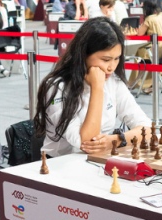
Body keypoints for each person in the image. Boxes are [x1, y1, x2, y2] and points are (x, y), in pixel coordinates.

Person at [34, 17, 152, 158]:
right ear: (84, 55)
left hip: (99, 159)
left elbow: (148, 129)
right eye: (106, 59)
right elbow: (87, 143)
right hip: (59, 163)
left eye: (117, 59)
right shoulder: (57, 87)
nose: (112, 67)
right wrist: (97, 87)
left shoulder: (113, 81)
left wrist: (116, 140)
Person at [128, 0, 162, 94]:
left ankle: (133, 83)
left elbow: (139, 34)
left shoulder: (149, 19)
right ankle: (149, 83)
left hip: (154, 50)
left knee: (139, 53)